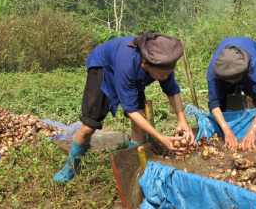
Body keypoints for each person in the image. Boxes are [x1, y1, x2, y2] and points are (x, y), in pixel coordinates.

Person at [53, 31, 195, 183]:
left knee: (140, 125)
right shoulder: (128, 65)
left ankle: (136, 169)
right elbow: (131, 110)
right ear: (145, 64)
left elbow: (172, 91)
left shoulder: (161, 63)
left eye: (168, 73)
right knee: (89, 126)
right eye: (162, 74)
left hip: (130, 72)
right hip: (103, 66)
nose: (165, 77)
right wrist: (161, 138)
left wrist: (183, 121)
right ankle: (70, 166)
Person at [207, 37, 256, 151]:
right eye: (230, 81)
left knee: (255, 97)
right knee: (222, 100)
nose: (233, 83)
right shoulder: (214, 71)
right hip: (226, 72)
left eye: (235, 80)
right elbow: (214, 104)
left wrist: (252, 131)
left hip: (252, 54)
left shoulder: (254, 64)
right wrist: (227, 131)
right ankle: (227, 127)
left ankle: (253, 124)